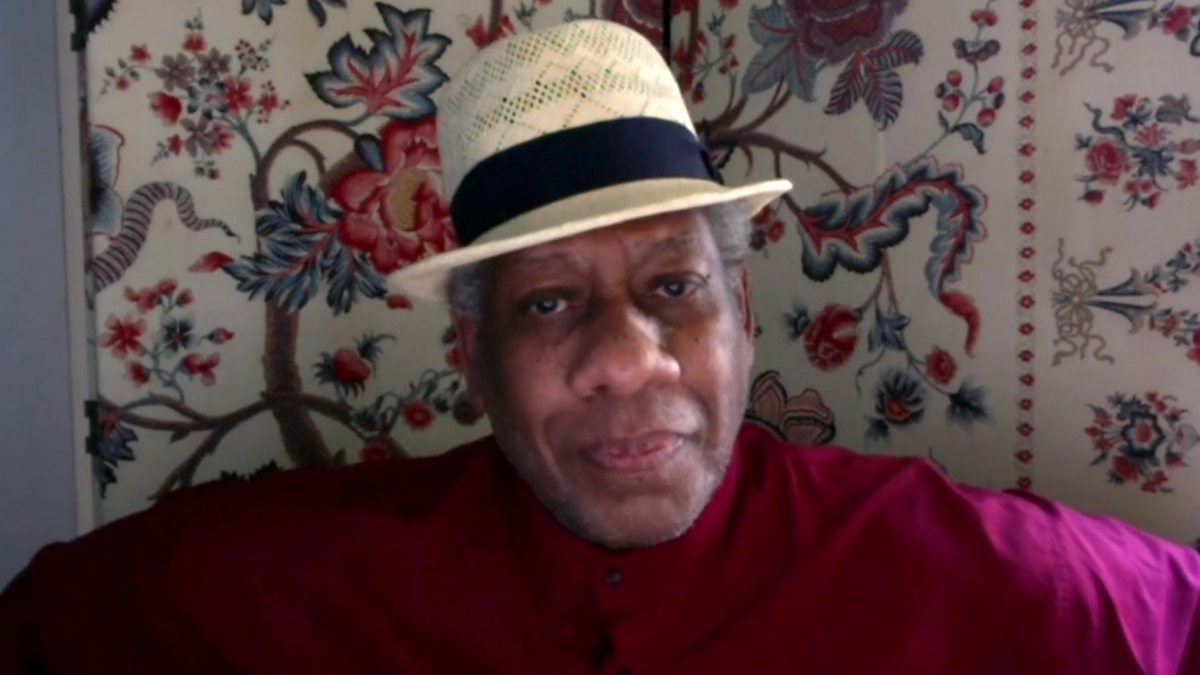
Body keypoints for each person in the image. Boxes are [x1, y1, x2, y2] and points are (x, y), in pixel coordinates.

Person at [3, 18, 1199, 675]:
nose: (629, 360)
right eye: (548, 303)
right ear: (470, 353)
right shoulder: (299, 578)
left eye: (674, 286)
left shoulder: (974, 570)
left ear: (742, 313)